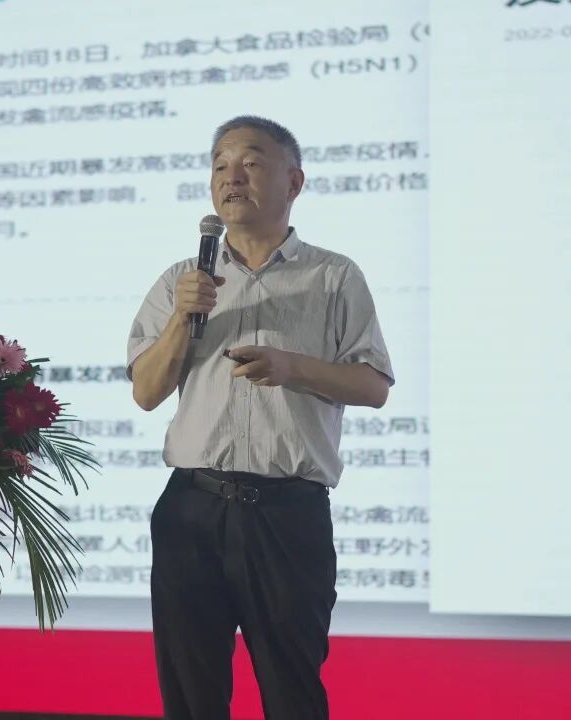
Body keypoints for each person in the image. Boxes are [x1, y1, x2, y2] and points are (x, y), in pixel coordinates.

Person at [126, 116, 395, 720]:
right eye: (220, 164)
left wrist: (292, 367)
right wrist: (182, 318)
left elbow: (374, 386)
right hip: (191, 508)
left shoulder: (333, 276)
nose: (232, 177)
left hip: (286, 514)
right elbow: (146, 392)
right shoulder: (180, 281)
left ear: (293, 182)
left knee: (292, 691)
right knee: (190, 695)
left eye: (250, 162)